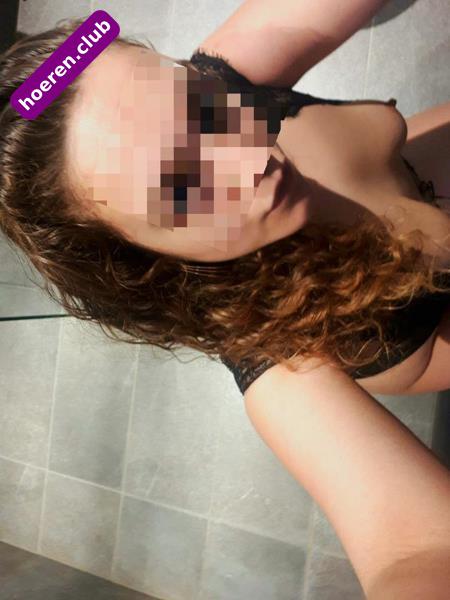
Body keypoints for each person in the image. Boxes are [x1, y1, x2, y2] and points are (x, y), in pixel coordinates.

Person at [1, 2, 449, 596]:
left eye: (195, 101)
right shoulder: (279, 361)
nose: (245, 155)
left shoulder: (230, 76)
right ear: (136, 257)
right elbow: (416, 548)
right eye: (181, 185)